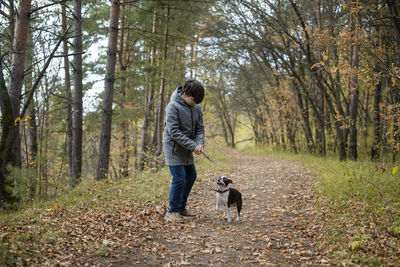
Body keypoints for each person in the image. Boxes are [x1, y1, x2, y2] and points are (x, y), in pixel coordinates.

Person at [163, 79, 205, 222]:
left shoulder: (197, 107)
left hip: (188, 149)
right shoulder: (172, 106)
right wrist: (193, 146)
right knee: (180, 178)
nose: (195, 103)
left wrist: (199, 143)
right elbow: (173, 131)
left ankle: (181, 208)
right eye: (193, 100)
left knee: (191, 176)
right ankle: (172, 211)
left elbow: (200, 128)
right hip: (173, 149)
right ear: (185, 94)